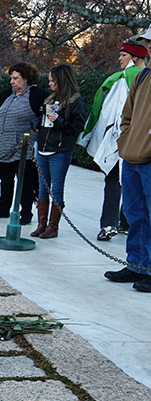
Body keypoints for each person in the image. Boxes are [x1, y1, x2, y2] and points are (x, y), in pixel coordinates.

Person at [78, 40, 147, 241]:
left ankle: (109, 224)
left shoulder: (122, 79)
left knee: (114, 181)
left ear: (134, 57)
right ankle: (126, 223)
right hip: (140, 141)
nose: (119, 58)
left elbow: (109, 112)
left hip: (122, 140)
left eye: (123, 55)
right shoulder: (130, 78)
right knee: (135, 185)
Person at [106, 28, 151, 292]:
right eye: (146, 43)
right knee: (135, 214)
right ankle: (137, 265)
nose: (147, 46)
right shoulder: (143, 76)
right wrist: (126, 141)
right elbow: (127, 116)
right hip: (132, 157)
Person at [0, 63, 48, 225]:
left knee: (25, 180)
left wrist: (36, 127)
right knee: (5, 178)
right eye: (11, 78)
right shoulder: (8, 95)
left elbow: (47, 115)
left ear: (26, 79)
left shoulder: (36, 95)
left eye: (15, 78)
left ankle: (26, 212)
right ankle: (3, 208)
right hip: (4, 146)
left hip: (23, 147)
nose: (12, 82)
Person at [32, 64, 86, 238]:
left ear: (61, 80)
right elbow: (43, 119)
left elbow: (77, 126)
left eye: (52, 80)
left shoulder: (75, 101)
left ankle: (53, 227)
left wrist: (59, 120)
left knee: (56, 189)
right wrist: (36, 123)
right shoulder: (50, 99)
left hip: (60, 151)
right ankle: (41, 224)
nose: (50, 84)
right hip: (43, 148)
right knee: (42, 188)